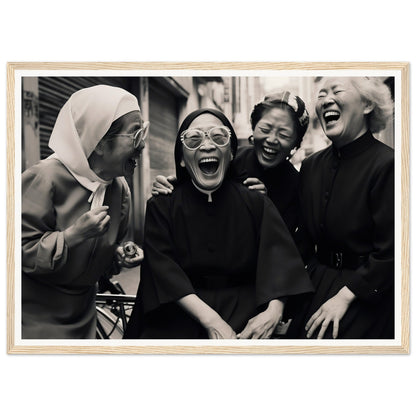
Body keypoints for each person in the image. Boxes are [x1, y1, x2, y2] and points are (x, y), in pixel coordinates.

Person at [124, 108, 313, 339]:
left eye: (218, 137)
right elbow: (163, 270)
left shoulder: (256, 201)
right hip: (180, 312)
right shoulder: (162, 205)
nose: (207, 146)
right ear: (182, 158)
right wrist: (211, 320)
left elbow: (281, 261)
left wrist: (274, 311)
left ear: (231, 152)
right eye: (194, 139)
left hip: (245, 314)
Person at [21, 85, 147, 339]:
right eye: (135, 135)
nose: (142, 145)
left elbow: (102, 263)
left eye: (143, 133)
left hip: (85, 316)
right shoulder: (44, 178)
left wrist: (119, 255)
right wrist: (73, 236)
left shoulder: (119, 189)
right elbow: (16, 252)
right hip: (31, 317)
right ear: (99, 142)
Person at [288, 77, 395, 339]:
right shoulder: (312, 166)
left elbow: (393, 252)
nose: (326, 100)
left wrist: (346, 296)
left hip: (367, 290)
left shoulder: (389, 164)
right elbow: (298, 238)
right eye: (321, 94)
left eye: (337, 91)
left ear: (368, 105)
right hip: (316, 280)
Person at [151, 92, 309, 235]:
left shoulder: (297, 186)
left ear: (296, 142)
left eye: (284, 134)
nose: (272, 140)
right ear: (253, 128)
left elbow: (283, 243)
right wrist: (172, 184)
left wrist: (264, 208)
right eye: (265, 129)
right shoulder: (229, 160)